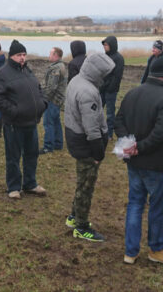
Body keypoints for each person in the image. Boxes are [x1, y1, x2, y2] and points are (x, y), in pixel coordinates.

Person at [115, 56, 163, 267]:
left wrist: (130, 145)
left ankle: (130, 252)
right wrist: (139, 147)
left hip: (134, 164)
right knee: (158, 207)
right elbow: (162, 133)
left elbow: (118, 121)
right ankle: (157, 249)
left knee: (135, 204)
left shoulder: (133, 93)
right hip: (156, 164)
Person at [64, 53, 115, 242]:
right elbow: (92, 128)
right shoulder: (88, 92)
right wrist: (98, 153)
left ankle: (73, 216)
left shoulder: (77, 80)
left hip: (76, 139)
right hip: (86, 145)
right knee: (86, 186)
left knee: (81, 181)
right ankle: (81, 227)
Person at [0, 40, 49, 199]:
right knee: (13, 157)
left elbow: (39, 89)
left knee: (32, 154)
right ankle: (14, 187)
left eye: (24, 55)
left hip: (32, 122)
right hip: (14, 124)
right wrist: (15, 111)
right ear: (11, 56)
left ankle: (30, 184)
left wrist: (43, 103)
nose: (22, 58)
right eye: (19, 55)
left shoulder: (27, 71)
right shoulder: (2, 74)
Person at [40, 47, 67, 154]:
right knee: (56, 121)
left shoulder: (56, 69)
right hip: (58, 99)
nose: (49, 55)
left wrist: (44, 98)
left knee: (48, 122)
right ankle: (58, 143)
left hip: (53, 100)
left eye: (51, 53)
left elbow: (51, 87)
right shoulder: (60, 66)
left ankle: (48, 146)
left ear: (56, 55)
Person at [99, 36, 124, 139]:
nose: (105, 47)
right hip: (101, 88)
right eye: (104, 45)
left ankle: (109, 134)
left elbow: (117, 76)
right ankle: (100, 130)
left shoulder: (118, 58)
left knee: (110, 113)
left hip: (111, 90)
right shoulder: (105, 56)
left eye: (107, 45)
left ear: (112, 45)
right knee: (98, 110)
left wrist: (109, 88)